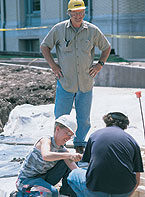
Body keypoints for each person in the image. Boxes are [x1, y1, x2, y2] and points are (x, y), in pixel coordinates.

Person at [40, 0, 111, 154]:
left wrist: (100, 64)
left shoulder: (92, 31)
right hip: (65, 82)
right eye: (75, 12)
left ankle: (80, 143)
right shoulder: (59, 29)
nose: (78, 15)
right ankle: (58, 145)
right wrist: (53, 65)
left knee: (83, 118)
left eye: (81, 12)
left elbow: (106, 47)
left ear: (84, 13)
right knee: (61, 117)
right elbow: (44, 46)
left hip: (86, 83)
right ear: (69, 13)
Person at [67, 112, 144, 197]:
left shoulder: (95, 135)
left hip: (96, 189)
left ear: (107, 122)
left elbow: (90, 166)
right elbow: (137, 177)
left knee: (73, 175)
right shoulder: (132, 141)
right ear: (125, 125)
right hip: (124, 191)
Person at [15, 114, 82, 196]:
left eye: (71, 136)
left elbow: (75, 170)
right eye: (68, 134)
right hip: (26, 180)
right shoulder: (45, 140)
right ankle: (19, 195)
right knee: (51, 193)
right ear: (57, 129)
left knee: (71, 163)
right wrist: (68, 155)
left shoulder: (63, 151)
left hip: (44, 178)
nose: (69, 138)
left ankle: (66, 193)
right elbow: (46, 155)